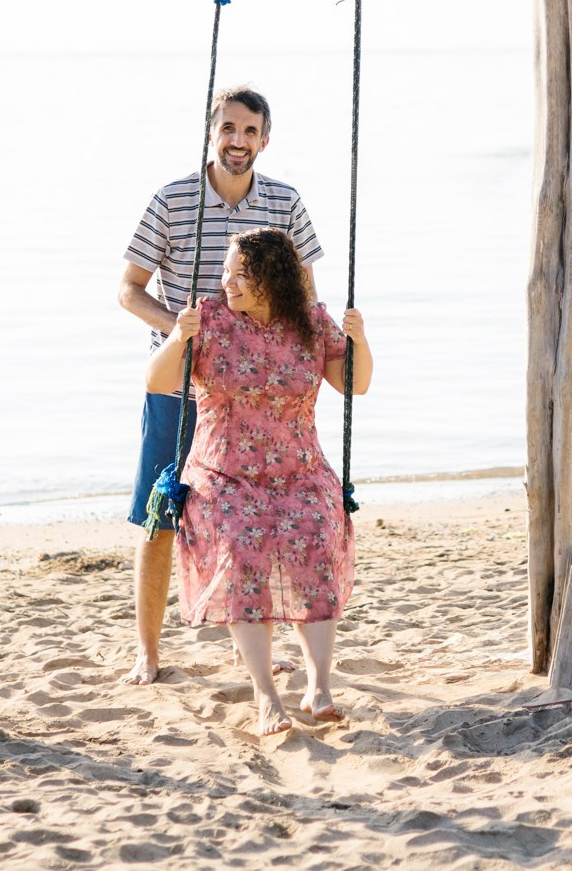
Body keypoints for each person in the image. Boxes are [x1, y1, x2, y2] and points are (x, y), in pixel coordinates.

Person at [118, 87, 323, 686]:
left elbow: (304, 296)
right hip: (182, 388)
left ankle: (250, 648)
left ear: (265, 139)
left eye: (250, 131)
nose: (238, 141)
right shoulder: (174, 199)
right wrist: (179, 329)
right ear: (212, 132)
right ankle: (148, 652)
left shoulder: (285, 203)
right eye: (228, 128)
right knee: (160, 513)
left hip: (255, 400)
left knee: (258, 516)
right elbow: (128, 288)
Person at [147, 227, 373, 736]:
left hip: (300, 469)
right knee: (244, 550)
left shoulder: (313, 323)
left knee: (317, 535)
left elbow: (355, 384)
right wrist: (178, 337)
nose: (227, 281)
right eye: (225, 271)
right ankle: (266, 696)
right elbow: (158, 381)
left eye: (239, 273)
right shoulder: (208, 319)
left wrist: (359, 339)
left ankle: (319, 687)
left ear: (272, 279)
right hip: (223, 474)